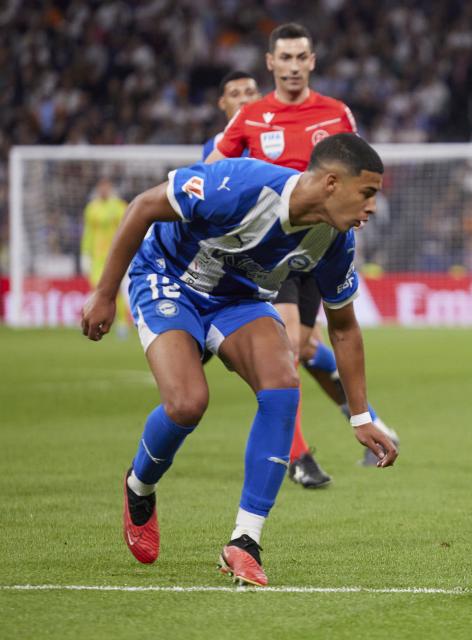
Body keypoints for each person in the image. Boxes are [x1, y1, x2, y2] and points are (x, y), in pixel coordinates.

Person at [80, 134, 399, 587]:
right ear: (331, 183)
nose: (371, 207)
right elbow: (144, 206)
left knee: (283, 384)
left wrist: (361, 415)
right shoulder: (241, 185)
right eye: (367, 193)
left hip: (240, 299)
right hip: (170, 279)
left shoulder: (336, 240)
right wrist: (104, 293)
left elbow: (344, 328)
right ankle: (139, 485)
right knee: (188, 403)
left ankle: (244, 541)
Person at [207, 23, 398, 485]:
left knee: (307, 345)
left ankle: (362, 420)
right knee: (290, 342)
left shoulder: (335, 113)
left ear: (312, 61)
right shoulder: (251, 116)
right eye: (284, 58)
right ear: (270, 63)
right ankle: (296, 456)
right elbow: (212, 169)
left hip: (321, 246)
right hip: (269, 249)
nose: (293, 67)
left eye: (301, 58)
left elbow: (358, 172)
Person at [80, 178, 130, 336]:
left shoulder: (120, 207)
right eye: (100, 187)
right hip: (97, 257)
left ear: (110, 188)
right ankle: (93, 319)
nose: (103, 190)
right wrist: (85, 253)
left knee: (116, 290)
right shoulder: (91, 208)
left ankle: (122, 322)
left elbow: (128, 229)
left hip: (115, 255)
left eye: (106, 187)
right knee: (97, 288)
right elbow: (88, 232)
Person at [201, 70, 260, 160]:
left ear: (260, 98)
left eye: (250, 93)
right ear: (222, 103)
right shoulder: (214, 146)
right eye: (235, 94)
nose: (244, 100)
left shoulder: (277, 137)